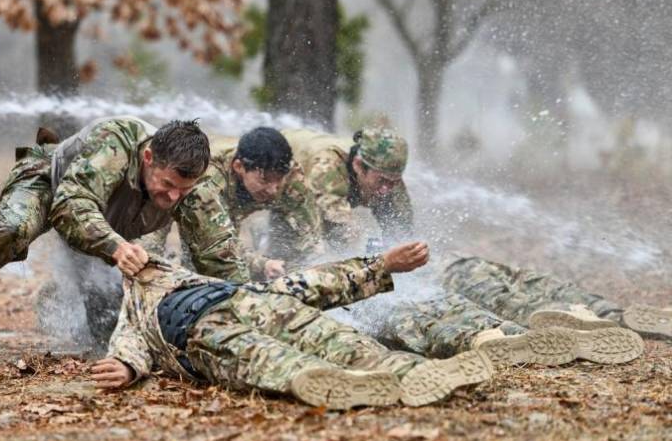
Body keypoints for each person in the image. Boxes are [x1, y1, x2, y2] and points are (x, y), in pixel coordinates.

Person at [0, 116, 211, 369]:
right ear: (149, 157)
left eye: (183, 189)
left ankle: (53, 297)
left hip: (98, 222)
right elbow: (71, 207)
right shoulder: (114, 143)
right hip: (48, 183)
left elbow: (218, 257)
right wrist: (117, 247)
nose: (173, 197)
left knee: (110, 330)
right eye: (167, 184)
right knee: (12, 230)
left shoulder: (192, 191)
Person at [90, 240, 496, 410]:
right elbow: (128, 345)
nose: (137, 258)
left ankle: (418, 373)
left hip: (258, 302)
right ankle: (333, 383)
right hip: (200, 334)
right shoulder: (134, 311)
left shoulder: (204, 279)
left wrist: (380, 265)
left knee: (340, 338)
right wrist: (126, 366)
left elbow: (301, 285)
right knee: (270, 358)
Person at [171, 127, 321, 282]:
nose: (273, 189)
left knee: (294, 265)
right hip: (189, 207)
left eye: (278, 180)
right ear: (239, 167)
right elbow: (219, 248)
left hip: (243, 205)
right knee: (204, 269)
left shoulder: (291, 177)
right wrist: (261, 264)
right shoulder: (210, 180)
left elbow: (312, 242)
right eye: (265, 180)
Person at [375, 291, 644, 367]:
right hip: (415, 287)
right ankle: (515, 333)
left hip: (386, 295)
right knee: (462, 308)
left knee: (418, 326)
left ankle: (479, 339)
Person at [442, 255, 671, 340]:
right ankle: (613, 314)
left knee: (505, 301)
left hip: (447, 270)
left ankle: (582, 318)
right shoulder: (405, 194)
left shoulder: (405, 195)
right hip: (460, 259)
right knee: (538, 283)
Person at [281, 120, 413, 251]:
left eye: (393, 181)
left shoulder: (390, 179)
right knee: (305, 246)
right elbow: (338, 227)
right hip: (281, 174)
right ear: (358, 166)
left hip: (320, 181)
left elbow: (403, 234)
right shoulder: (327, 168)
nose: (386, 189)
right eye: (381, 181)